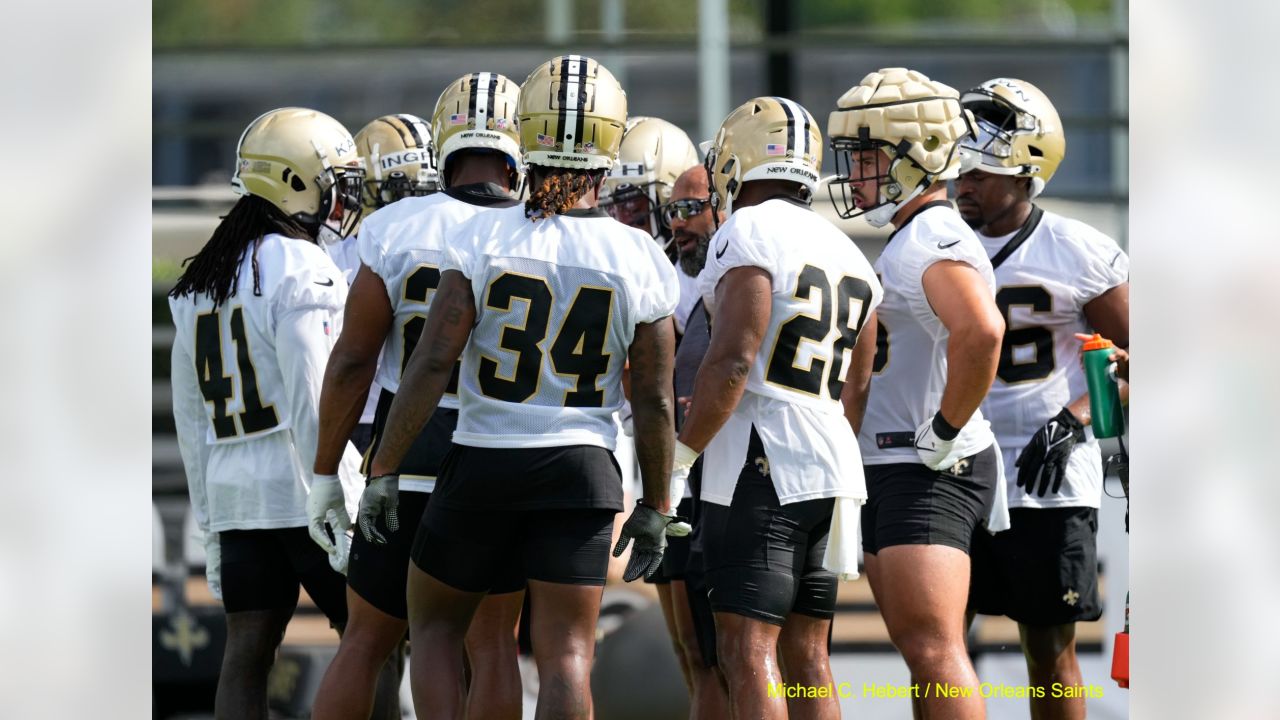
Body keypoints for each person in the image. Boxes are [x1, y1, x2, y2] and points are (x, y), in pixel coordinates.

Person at [359, 55, 680, 720]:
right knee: (567, 655)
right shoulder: (640, 255)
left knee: (439, 627)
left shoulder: (483, 234)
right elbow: (651, 396)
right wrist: (656, 499)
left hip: (484, 459)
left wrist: (384, 465)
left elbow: (432, 360)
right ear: (609, 142)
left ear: (525, 131)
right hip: (585, 468)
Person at [307, 76, 527, 720]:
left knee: (367, 638)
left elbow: (352, 361)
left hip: (408, 442)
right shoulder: (536, 227)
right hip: (495, 445)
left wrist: (327, 471)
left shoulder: (394, 227)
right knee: (491, 645)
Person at [677, 96, 883, 720]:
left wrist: (679, 456)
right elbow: (859, 383)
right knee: (809, 655)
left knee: (746, 649)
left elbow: (734, 358)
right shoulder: (850, 250)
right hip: (831, 461)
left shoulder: (748, 228)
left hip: (761, 457)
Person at [168, 107, 366, 720]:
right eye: (335, 181)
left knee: (247, 652)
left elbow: (190, 418)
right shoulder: (300, 265)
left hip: (236, 494)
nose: (343, 200)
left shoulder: (202, 279)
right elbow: (314, 390)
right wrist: (334, 484)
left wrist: (210, 521)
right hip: (303, 484)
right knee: (372, 643)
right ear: (296, 181)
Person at [827, 68, 1006, 720]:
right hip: (898, 462)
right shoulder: (915, 234)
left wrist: (947, 427)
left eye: (868, 156)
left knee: (933, 647)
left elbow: (982, 331)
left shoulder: (931, 236)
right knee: (923, 649)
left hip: (924, 465)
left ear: (915, 155)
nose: (857, 173)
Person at [956, 77, 1129, 720]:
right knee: (939, 644)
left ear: (1026, 172)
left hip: (1045, 474)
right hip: (955, 470)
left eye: (981, 172)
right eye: (961, 170)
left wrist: (1076, 415)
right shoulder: (937, 243)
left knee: (1048, 654)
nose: (964, 184)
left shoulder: (1078, 250)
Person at [655, 165, 731, 719]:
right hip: (678, 475)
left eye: (690, 209)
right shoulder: (668, 272)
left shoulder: (747, 267)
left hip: (731, 478)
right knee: (694, 651)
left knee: (741, 656)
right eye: (672, 210)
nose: (676, 223)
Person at [600, 115, 701, 325]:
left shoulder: (698, 276)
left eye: (632, 207)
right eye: (610, 208)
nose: (619, 221)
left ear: (671, 200)